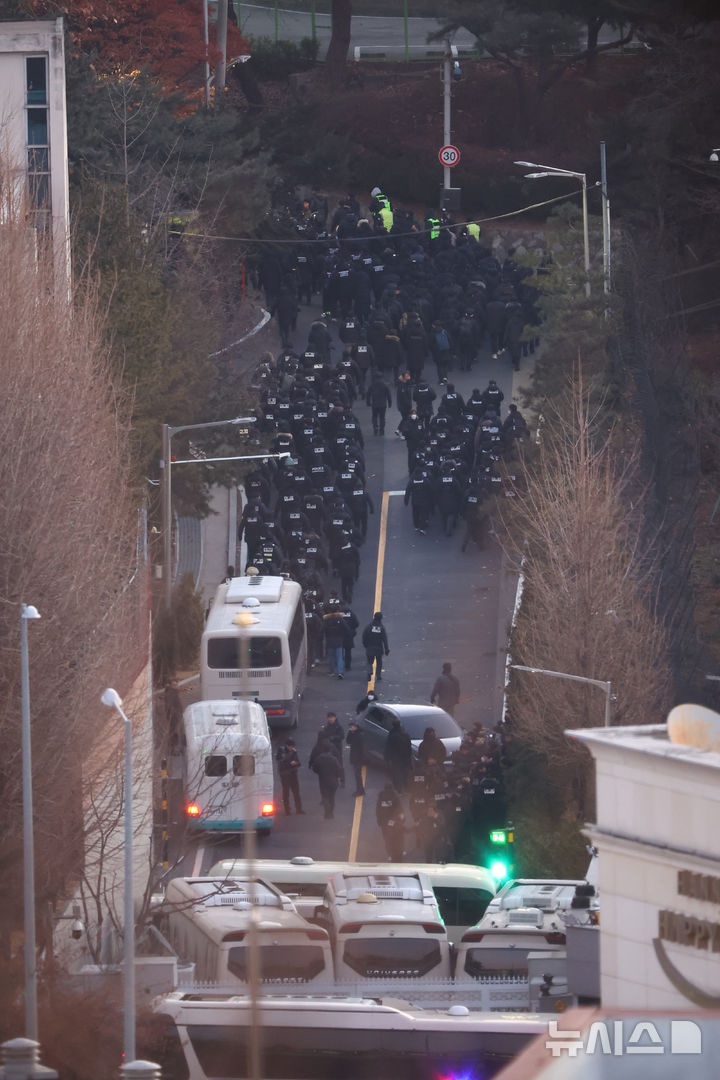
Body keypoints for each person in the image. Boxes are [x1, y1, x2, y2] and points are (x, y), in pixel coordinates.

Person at [310, 739, 343, 819]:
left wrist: (320, 773)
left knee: (325, 797)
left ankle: (327, 814)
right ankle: (331, 813)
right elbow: (339, 769)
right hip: (333, 781)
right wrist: (338, 777)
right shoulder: (334, 759)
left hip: (323, 781)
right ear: (329, 749)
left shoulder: (318, 758)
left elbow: (315, 769)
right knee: (332, 797)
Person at [376, 783, 405, 861]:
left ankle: (390, 855)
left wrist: (379, 821)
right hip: (394, 822)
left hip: (384, 823)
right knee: (398, 838)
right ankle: (400, 852)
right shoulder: (395, 796)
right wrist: (401, 820)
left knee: (387, 840)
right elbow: (399, 809)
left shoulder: (381, 796)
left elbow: (378, 810)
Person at [276, 737, 305, 815]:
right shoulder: (281, 751)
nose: (291, 748)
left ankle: (298, 809)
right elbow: (280, 762)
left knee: (296, 792)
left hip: (293, 774)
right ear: (287, 745)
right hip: (285, 774)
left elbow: (298, 762)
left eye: (292, 746)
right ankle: (287, 809)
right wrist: (290, 763)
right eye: (290, 746)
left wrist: (295, 763)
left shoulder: (294, 752)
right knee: (286, 792)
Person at [384, 718, 412, 793]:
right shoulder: (405, 734)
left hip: (396, 759)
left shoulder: (392, 735)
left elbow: (388, 747)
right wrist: (409, 759)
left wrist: (387, 758)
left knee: (396, 774)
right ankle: (406, 787)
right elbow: (409, 747)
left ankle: (399, 789)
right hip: (405, 758)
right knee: (405, 774)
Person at [362, 610, 389, 681]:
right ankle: (378, 675)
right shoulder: (381, 628)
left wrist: (366, 645)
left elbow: (364, 636)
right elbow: (385, 639)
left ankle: (369, 671)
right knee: (379, 662)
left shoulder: (368, 627)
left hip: (370, 647)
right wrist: (386, 649)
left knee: (369, 662)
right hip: (378, 648)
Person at [366, 371, 392, 435]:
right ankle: (381, 430)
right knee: (382, 417)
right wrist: (390, 403)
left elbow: (368, 394)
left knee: (374, 417)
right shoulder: (384, 385)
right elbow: (389, 395)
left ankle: (375, 428)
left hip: (374, 404)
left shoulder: (372, 385)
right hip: (383, 404)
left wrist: (368, 402)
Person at [346, 721, 366, 796]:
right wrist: (350, 733)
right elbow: (348, 741)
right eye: (350, 727)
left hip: (358, 759)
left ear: (356, 727)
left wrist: (362, 760)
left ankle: (360, 791)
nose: (351, 728)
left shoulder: (359, 735)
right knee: (357, 775)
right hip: (355, 757)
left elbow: (362, 749)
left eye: (352, 726)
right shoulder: (353, 733)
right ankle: (361, 790)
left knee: (357, 775)